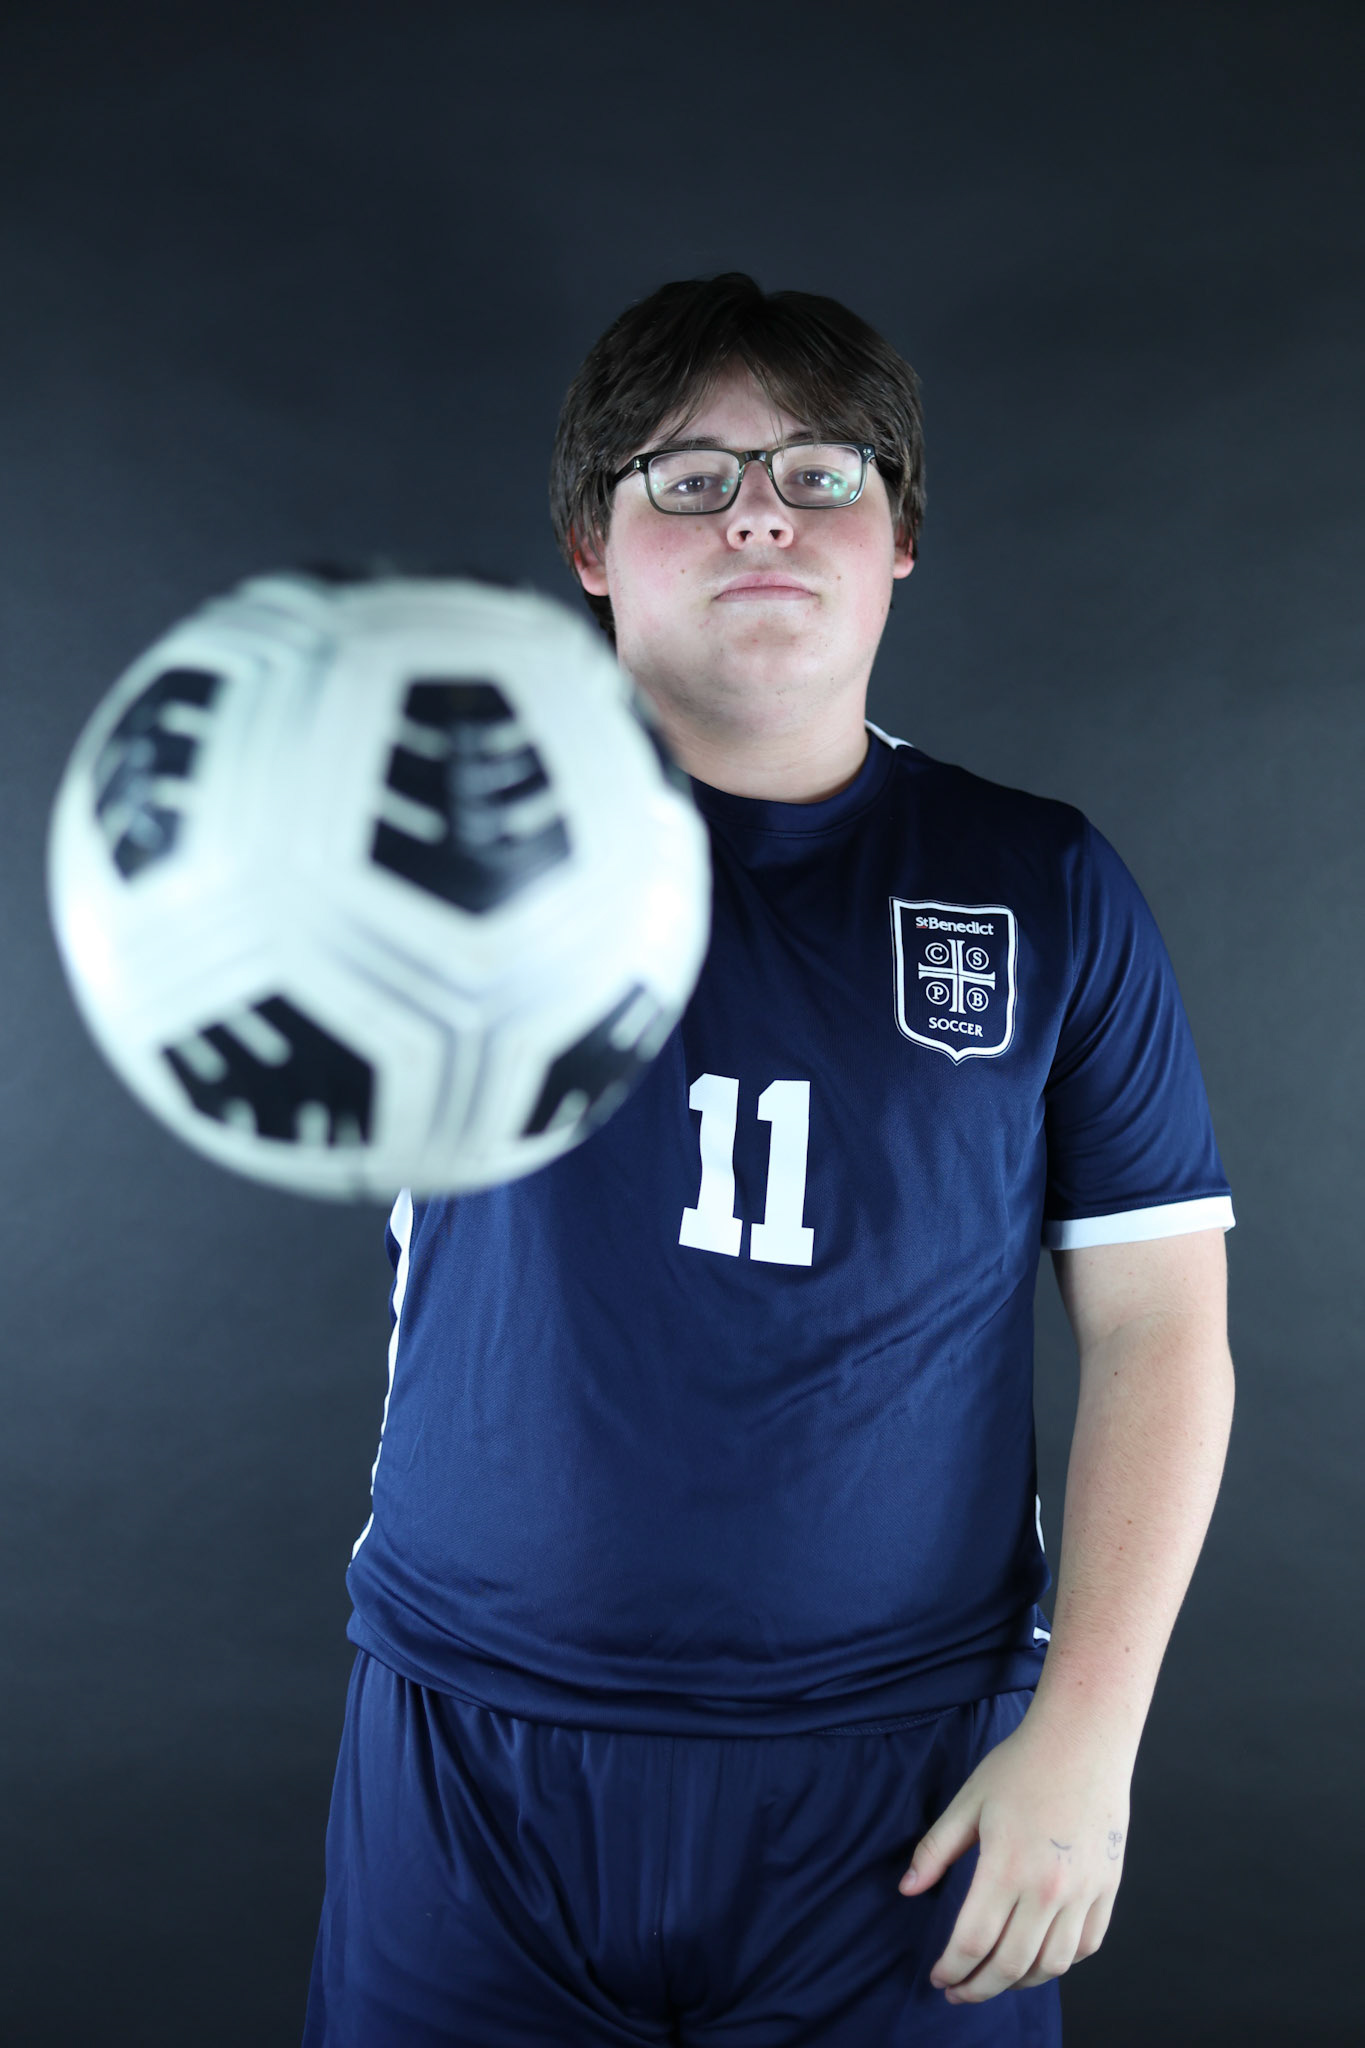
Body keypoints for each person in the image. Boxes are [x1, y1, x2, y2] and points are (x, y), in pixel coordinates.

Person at [303, 273, 1236, 2046]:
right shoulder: (431, 854)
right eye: (689, 474)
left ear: (897, 545)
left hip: (903, 1782)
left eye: (823, 475)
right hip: (472, 1750)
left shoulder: (1038, 884)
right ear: (592, 543)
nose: (759, 512)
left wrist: (1089, 1739)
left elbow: (1157, 1330)